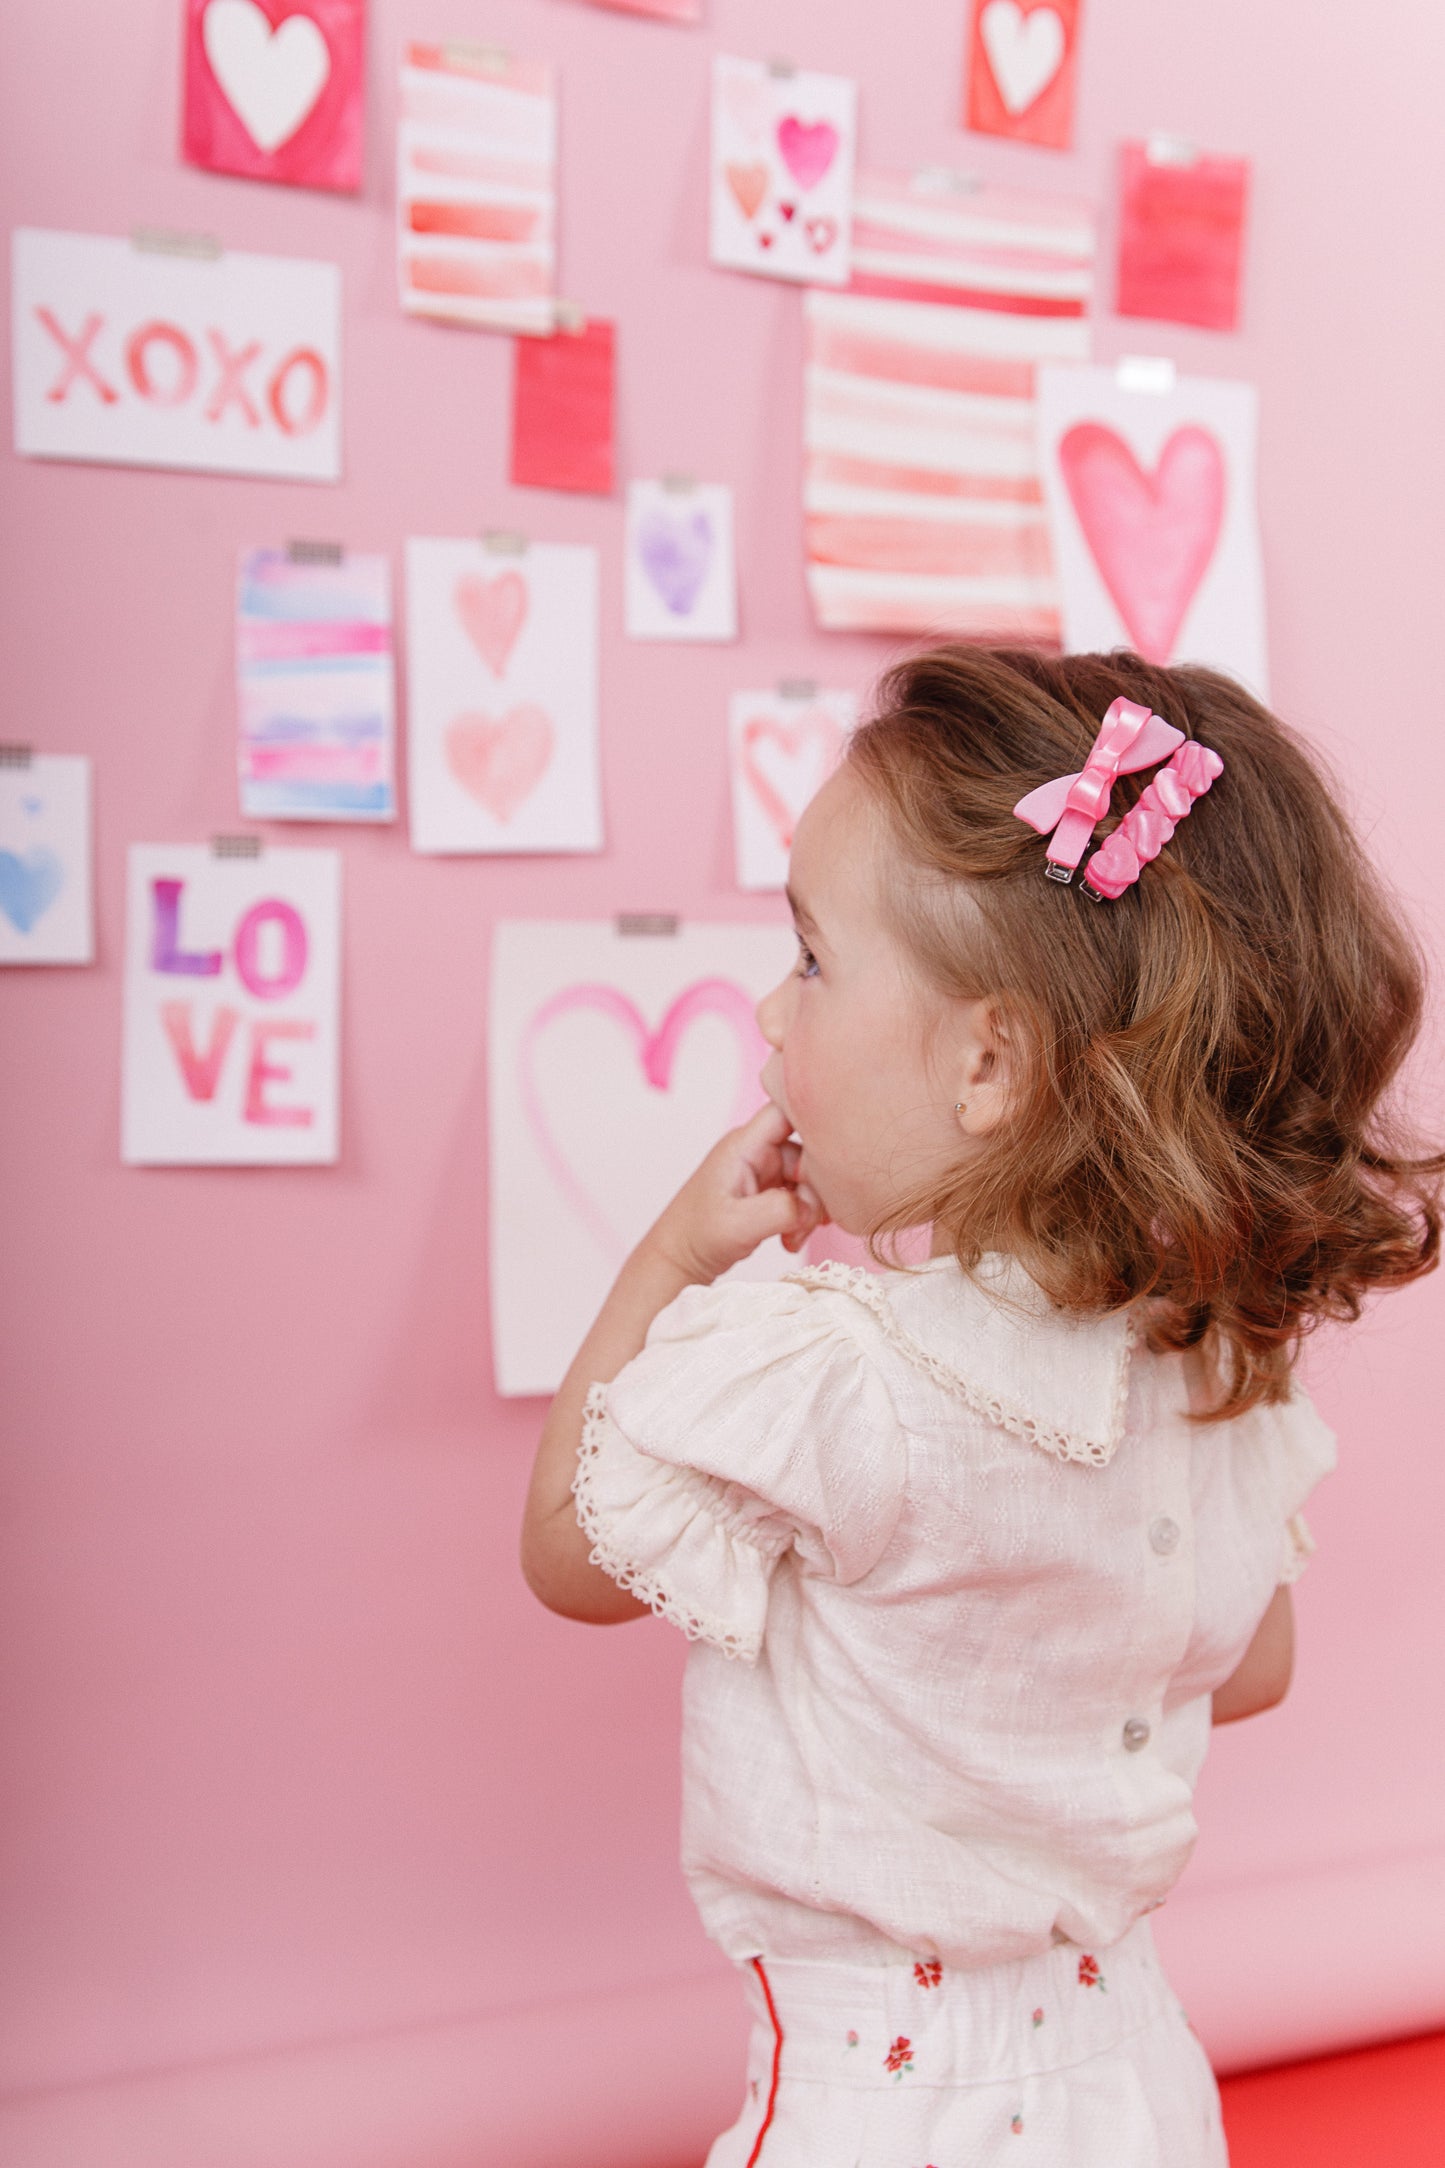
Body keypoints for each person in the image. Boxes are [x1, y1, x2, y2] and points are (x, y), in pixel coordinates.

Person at [520, 645, 1440, 2165]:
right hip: (1136, 2091)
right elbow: (1246, 1665)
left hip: (879, 2111)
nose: (770, 1008)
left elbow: (569, 1550)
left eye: (812, 959)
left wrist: (672, 1255)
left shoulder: (841, 1374)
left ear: (991, 1066)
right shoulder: (1212, 1373)